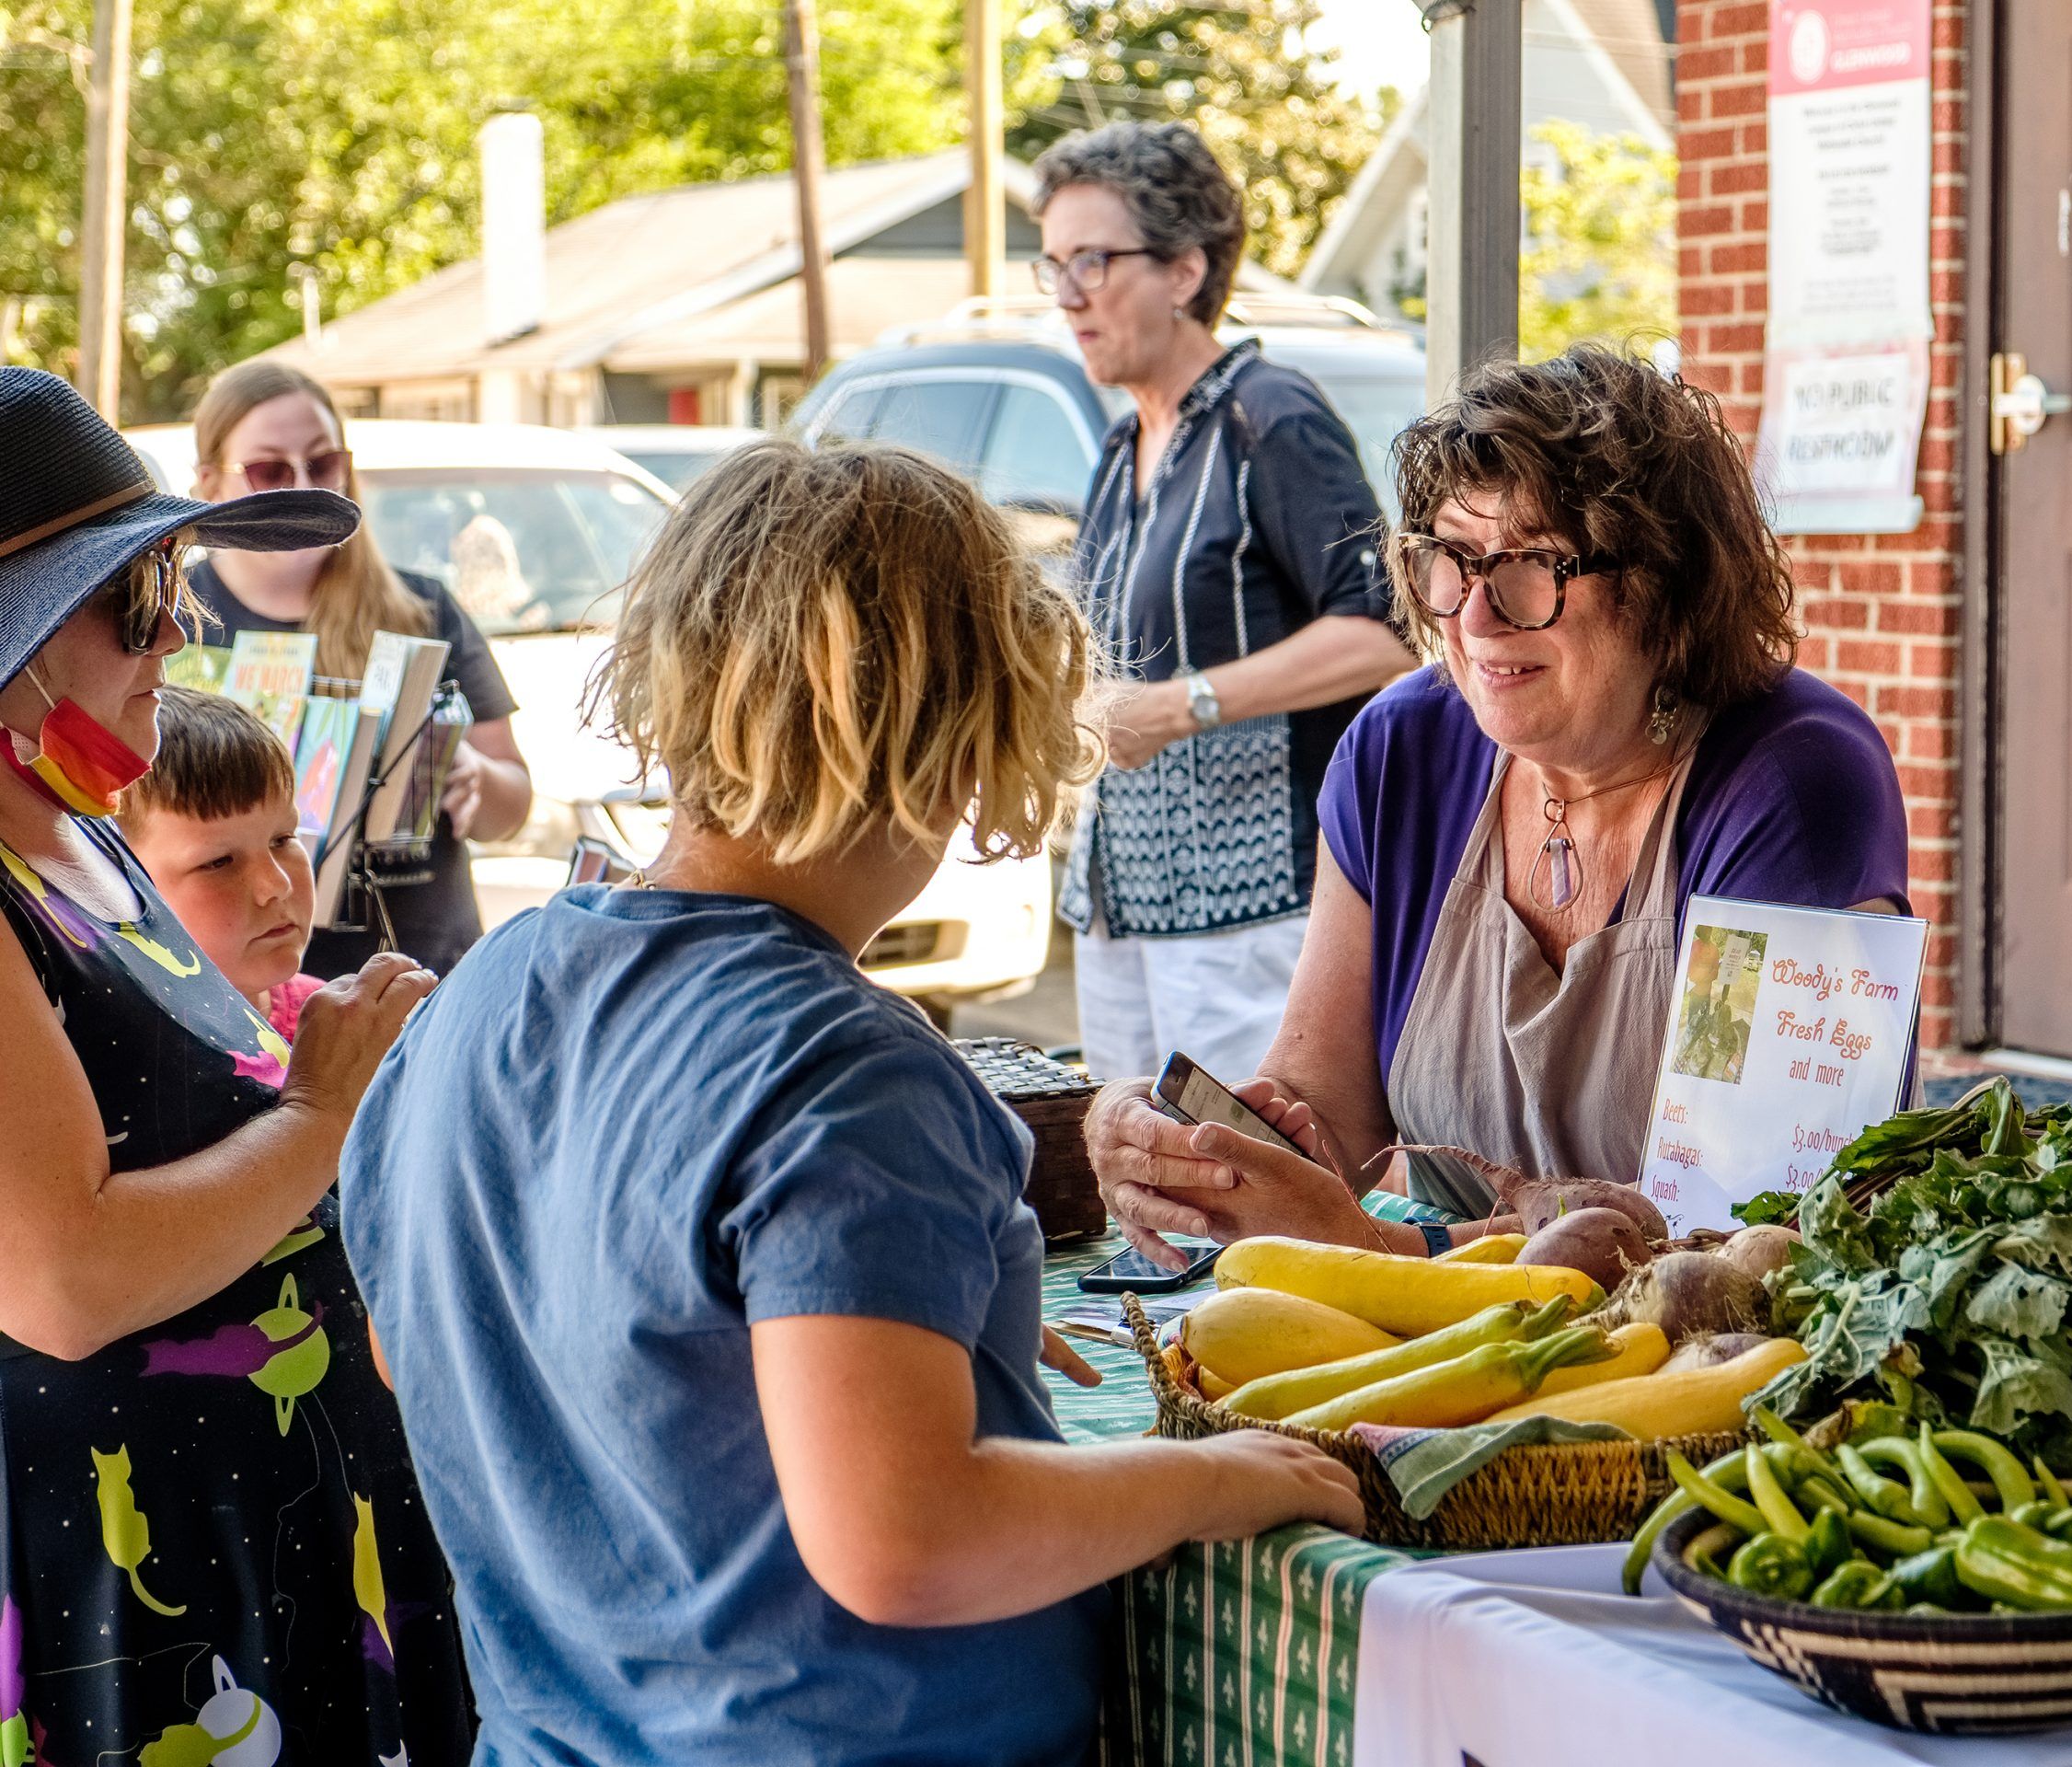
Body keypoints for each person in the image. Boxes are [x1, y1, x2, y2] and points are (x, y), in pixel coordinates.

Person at [338, 441, 1362, 1766]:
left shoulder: (471, 1001)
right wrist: (1212, 1478)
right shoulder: (844, 1062)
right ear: (961, 739)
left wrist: (869, 1344)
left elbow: (436, 1347)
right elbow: (906, 1544)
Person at [1086, 347, 1911, 1265]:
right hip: (1453, 1359)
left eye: (1533, 566)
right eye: (1452, 560)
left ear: (1663, 585)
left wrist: (1367, 1247)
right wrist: (1182, 1147)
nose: (1474, 617)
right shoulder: (1402, 754)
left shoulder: (1788, 784)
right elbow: (1325, 1115)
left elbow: (1756, 1235)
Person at [0, 368, 472, 1762]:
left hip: (269, 1532)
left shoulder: (79, 827)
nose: (182, 631)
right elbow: (63, 1278)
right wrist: (326, 1108)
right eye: (140, 602)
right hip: (140, 1580)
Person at [1031, 121, 1413, 1084]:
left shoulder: (1268, 417)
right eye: (1054, 265)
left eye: (1093, 260)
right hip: (1123, 903)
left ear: (1184, 271)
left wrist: (1180, 704)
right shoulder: (1122, 448)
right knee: (1139, 1197)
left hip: (1259, 913)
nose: (1069, 295)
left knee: (1247, 1192)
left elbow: (1386, 631)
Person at [188, 359, 532, 975]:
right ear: (210, 482)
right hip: (253, 988)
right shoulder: (173, 625)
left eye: (322, 464)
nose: (303, 485)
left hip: (427, 974)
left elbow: (514, 806)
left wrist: (477, 779)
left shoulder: (424, 611)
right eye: (270, 469)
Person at [121, 686, 326, 1042]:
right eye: (219, 862)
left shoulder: (329, 1023)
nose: (277, 885)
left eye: (282, 839)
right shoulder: (120, 1051)